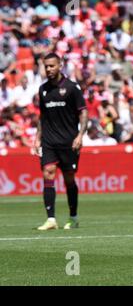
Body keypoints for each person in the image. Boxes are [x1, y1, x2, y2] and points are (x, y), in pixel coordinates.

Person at [33, 53, 88, 230]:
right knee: (48, 172)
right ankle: (51, 219)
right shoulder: (43, 90)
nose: (49, 69)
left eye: (52, 66)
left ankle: (73, 217)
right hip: (49, 141)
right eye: (46, 66)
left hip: (68, 141)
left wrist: (80, 135)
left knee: (69, 179)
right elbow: (42, 117)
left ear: (60, 66)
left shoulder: (72, 88)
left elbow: (83, 112)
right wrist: (37, 138)